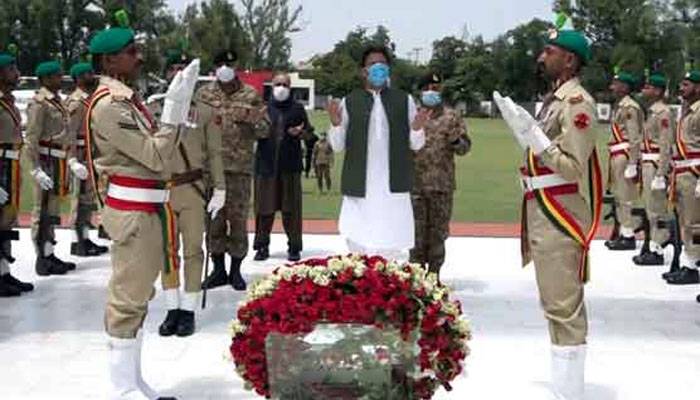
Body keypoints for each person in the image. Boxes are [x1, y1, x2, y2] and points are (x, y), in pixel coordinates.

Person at [87, 23, 199, 399]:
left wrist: (175, 113)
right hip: (133, 210)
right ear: (110, 60)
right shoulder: (108, 105)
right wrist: (173, 111)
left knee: (138, 299)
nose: (139, 58)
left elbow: (159, 156)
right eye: (131, 52)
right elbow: (154, 155)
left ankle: (134, 383)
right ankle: (123, 390)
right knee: (127, 300)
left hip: (148, 207)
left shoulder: (127, 100)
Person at [494, 25, 602, 400]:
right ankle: (564, 388)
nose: (542, 58)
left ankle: (569, 392)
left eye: (549, 51)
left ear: (569, 59)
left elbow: (572, 166)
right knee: (554, 304)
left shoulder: (577, 104)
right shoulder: (556, 99)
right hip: (543, 209)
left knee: (563, 308)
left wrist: (535, 139)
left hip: (559, 213)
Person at [147, 50, 226, 337]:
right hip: (162, 191)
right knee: (167, 253)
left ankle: (188, 310)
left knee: (193, 250)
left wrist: (220, 188)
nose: (179, 74)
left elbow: (215, 153)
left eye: (184, 69)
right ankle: (171, 309)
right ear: (166, 74)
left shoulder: (205, 112)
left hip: (192, 189)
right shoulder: (152, 110)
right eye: (174, 69)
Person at [326, 45, 427, 259]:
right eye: (372, 64)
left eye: (382, 63)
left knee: (392, 240)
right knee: (359, 240)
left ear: (389, 69)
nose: (378, 68)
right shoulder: (350, 101)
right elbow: (337, 146)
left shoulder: (404, 100)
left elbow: (416, 145)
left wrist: (417, 129)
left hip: (393, 183)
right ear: (363, 70)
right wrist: (335, 124)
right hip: (360, 183)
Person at [199, 50, 269, 291]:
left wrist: (252, 118)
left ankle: (236, 271)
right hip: (211, 170)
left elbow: (265, 130)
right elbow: (192, 127)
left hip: (239, 170)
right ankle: (218, 270)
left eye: (228, 64)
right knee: (213, 221)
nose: (224, 68)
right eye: (220, 64)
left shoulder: (250, 95)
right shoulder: (204, 95)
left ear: (236, 66)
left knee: (237, 221)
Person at [26, 60, 87, 275]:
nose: (61, 79)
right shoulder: (40, 103)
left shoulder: (57, 102)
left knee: (52, 210)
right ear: (45, 79)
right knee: (41, 210)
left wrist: (71, 160)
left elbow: (67, 135)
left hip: (59, 158)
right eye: (56, 76)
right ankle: (41, 257)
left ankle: (50, 253)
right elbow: (32, 137)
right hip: (45, 158)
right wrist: (35, 168)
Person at [410, 73, 471, 279]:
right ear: (420, 90)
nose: (432, 91)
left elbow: (464, 149)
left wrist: (455, 140)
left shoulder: (451, 116)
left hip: (441, 185)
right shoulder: (412, 115)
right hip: (415, 185)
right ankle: (416, 278)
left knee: (438, 234)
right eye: (427, 87)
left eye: (435, 87)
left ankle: (434, 277)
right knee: (415, 235)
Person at [253, 72, 312, 262]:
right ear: (272, 86)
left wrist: (300, 132)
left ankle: (294, 247)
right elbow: (251, 133)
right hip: (266, 166)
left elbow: (310, 135)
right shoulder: (263, 109)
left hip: (290, 167)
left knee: (291, 210)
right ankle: (262, 246)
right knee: (264, 209)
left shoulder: (297, 110)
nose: (281, 88)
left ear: (290, 87)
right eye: (278, 84)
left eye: (285, 85)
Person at [66, 62, 108, 257]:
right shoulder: (76, 102)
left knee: (89, 198)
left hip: (91, 152)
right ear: (78, 78)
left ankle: (85, 238)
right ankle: (78, 241)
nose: (92, 76)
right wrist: (73, 160)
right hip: (82, 153)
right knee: (80, 199)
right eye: (88, 74)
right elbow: (70, 134)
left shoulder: (89, 100)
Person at [0, 50, 33, 297]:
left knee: (6, 222)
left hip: (11, 164)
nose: (16, 73)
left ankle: (4, 273)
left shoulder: (8, 101)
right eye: (11, 69)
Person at [633, 73, 673, 265]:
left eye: (648, 87)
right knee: (650, 207)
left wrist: (661, 173)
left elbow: (665, 145)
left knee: (657, 208)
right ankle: (655, 244)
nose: (644, 90)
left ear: (657, 91)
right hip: (648, 162)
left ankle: (658, 246)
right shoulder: (652, 111)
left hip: (656, 162)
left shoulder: (663, 113)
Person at [664, 69, 700, 285]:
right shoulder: (687, 111)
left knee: (695, 224)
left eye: (687, 84)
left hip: (695, 172)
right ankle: (689, 261)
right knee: (686, 222)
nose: (682, 88)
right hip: (682, 172)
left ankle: (693, 263)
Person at [605, 70, 644, 251]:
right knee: (619, 195)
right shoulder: (620, 106)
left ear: (625, 87)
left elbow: (634, 137)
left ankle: (628, 234)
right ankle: (623, 231)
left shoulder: (629, 107)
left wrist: (632, 163)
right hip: (616, 153)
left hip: (624, 154)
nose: (612, 87)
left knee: (625, 195)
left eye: (616, 84)